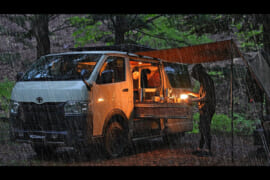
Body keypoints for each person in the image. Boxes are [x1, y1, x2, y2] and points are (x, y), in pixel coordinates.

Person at [188, 64, 216, 157]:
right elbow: (202, 96)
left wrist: (192, 100)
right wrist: (191, 94)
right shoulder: (204, 81)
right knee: (202, 128)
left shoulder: (207, 80)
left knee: (205, 129)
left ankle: (208, 150)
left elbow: (206, 98)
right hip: (204, 108)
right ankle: (200, 148)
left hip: (207, 108)